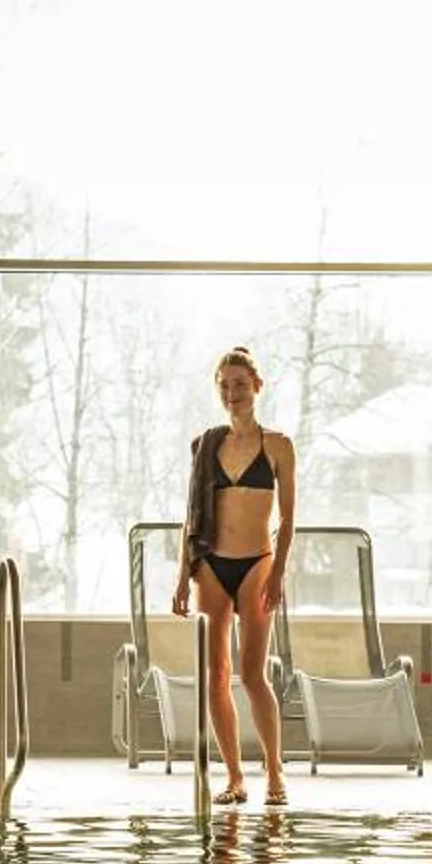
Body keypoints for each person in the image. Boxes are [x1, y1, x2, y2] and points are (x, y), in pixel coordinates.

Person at [171, 346, 295, 807]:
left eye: (240, 384)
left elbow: (288, 517)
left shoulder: (278, 445)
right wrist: (183, 575)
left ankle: (276, 774)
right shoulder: (208, 444)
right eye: (224, 385)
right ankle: (235, 778)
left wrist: (279, 570)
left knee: (253, 674)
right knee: (216, 674)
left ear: (257, 387)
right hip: (212, 566)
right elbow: (191, 515)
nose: (232, 393)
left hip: (256, 564)